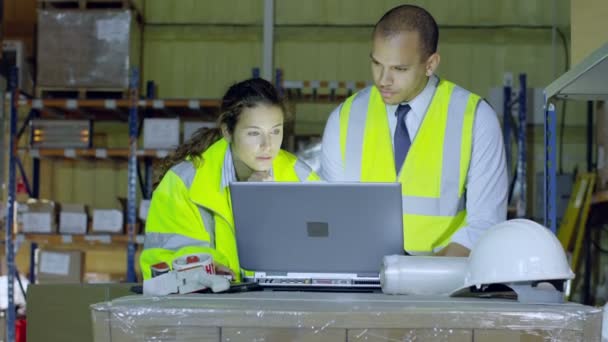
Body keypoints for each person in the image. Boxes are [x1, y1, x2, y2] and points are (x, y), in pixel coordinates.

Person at [319, 4, 507, 257]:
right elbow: (334, 216)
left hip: (445, 286)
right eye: (377, 63)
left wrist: (423, 275)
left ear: (430, 64)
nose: (383, 79)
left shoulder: (475, 119)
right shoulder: (344, 118)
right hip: (363, 284)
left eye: (399, 69)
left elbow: (486, 223)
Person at [140, 78, 319, 280]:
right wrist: (207, 269)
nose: (267, 145)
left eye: (275, 131)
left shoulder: (302, 178)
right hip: (209, 309)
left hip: (279, 307)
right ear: (227, 131)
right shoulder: (182, 183)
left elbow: (322, 257)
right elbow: (161, 264)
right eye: (254, 133)